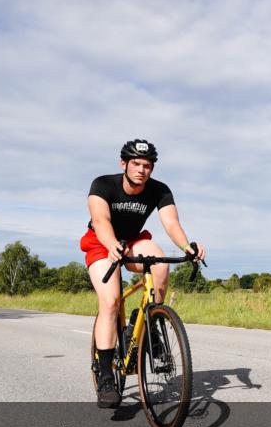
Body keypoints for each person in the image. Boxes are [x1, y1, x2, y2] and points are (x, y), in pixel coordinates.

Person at [81, 139, 206, 409]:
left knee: (160, 263)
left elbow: (171, 222)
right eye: (136, 164)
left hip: (134, 240)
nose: (141, 170)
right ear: (123, 164)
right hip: (102, 243)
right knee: (112, 300)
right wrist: (112, 244)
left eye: (147, 165)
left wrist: (187, 246)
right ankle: (105, 376)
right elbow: (101, 220)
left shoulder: (159, 190)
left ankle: (145, 316)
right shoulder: (103, 184)